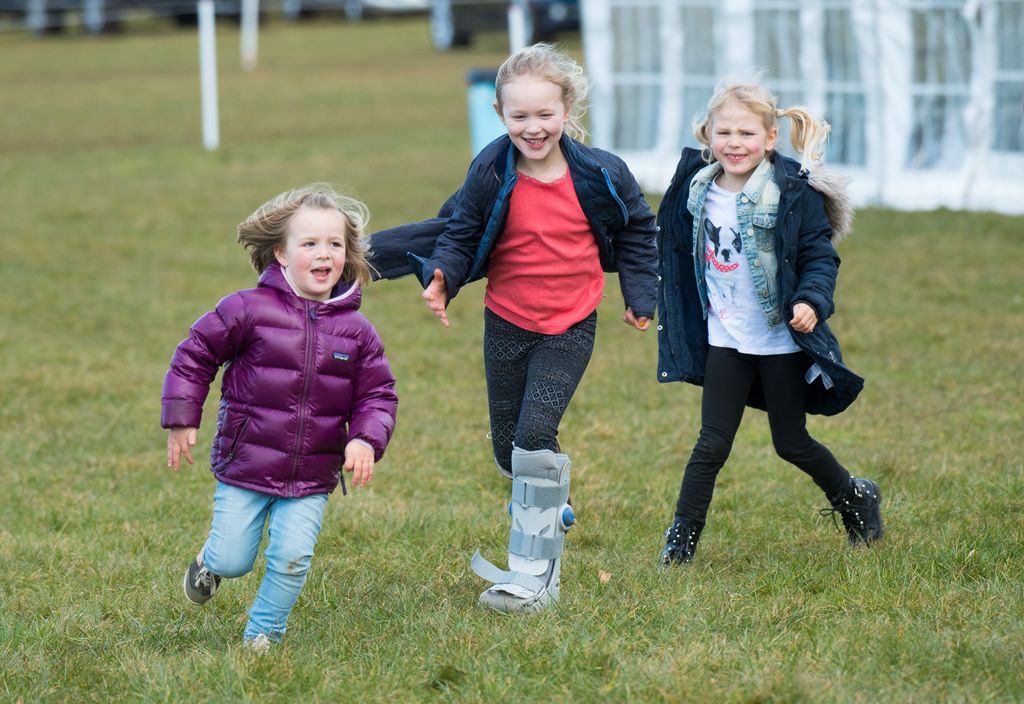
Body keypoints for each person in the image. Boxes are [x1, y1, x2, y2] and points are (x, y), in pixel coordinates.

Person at [368, 43, 658, 612]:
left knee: (533, 436)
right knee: (508, 449)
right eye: (519, 116)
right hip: (506, 319)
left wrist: (640, 294)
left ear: (567, 108)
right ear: (500, 114)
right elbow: (460, 230)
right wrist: (443, 276)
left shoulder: (602, 172)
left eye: (545, 115)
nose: (533, 127)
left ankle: (535, 579)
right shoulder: (491, 168)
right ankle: (547, 499)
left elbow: (637, 232)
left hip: (570, 324)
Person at [655, 79, 883, 567]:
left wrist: (811, 301)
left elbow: (819, 256)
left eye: (747, 133)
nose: (734, 143)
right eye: (724, 132)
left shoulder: (792, 192)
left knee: (791, 443)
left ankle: (855, 496)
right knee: (711, 444)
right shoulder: (695, 188)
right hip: (725, 339)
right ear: (708, 134)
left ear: (770, 139)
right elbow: (670, 246)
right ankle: (680, 544)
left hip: (781, 339)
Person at [161, 184, 398, 652]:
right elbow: (195, 355)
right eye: (309, 243)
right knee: (233, 559)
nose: (323, 253)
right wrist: (182, 417)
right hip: (245, 463)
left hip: (312, 472)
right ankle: (210, 561)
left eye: (334, 244)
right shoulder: (247, 309)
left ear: (347, 255)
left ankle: (263, 633)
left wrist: (365, 440)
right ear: (282, 254)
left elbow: (378, 393)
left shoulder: (356, 331)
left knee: (292, 556)